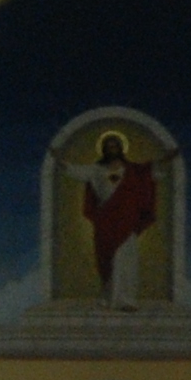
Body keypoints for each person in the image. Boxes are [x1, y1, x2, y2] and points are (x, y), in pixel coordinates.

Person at [65, 130, 158, 307]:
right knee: (106, 258)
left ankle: (127, 300)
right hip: (105, 220)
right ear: (103, 149)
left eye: (115, 146)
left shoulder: (133, 171)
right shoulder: (96, 170)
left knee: (127, 260)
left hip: (126, 221)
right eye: (108, 146)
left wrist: (168, 159)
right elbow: (75, 171)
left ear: (121, 148)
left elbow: (152, 171)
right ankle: (108, 297)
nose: (112, 149)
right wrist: (60, 161)